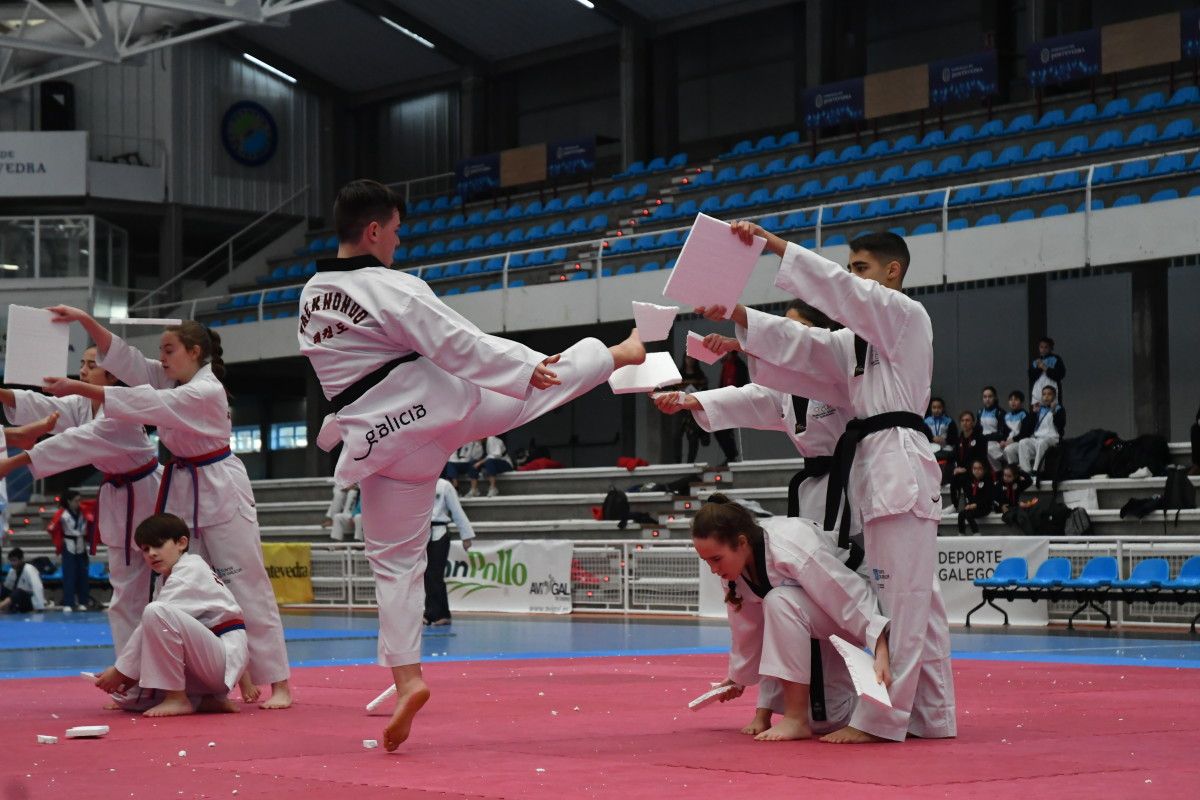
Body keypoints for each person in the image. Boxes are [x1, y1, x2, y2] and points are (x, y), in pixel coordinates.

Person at [298, 178, 646, 751]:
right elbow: (454, 340)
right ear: (375, 230)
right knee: (541, 383)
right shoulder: (392, 286)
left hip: (380, 444)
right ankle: (619, 353)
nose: (398, 244)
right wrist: (518, 364)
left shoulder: (311, 295)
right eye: (397, 232)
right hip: (437, 412)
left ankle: (407, 678)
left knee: (392, 563)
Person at [698, 226, 956, 743]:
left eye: (861, 268)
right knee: (917, 605)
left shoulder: (905, 316)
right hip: (875, 468)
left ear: (892, 272)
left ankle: (883, 720)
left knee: (903, 603)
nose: (853, 278)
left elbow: (842, 292)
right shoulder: (855, 342)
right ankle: (932, 714)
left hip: (899, 461)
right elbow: (802, 346)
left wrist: (775, 246)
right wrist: (741, 316)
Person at [39, 310, 292, 710]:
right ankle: (178, 686)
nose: (162, 358)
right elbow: (129, 363)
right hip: (182, 489)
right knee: (174, 588)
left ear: (194, 352)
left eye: (169, 350)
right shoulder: (175, 379)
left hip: (220, 486)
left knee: (247, 586)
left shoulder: (205, 391)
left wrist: (78, 387)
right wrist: (85, 321)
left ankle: (279, 682)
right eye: (161, 350)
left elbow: (146, 403)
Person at [0, 345, 160, 651]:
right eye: (81, 364)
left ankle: (169, 675)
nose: (82, 371)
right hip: (121, 499)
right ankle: (132, 676)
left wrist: (12, 463)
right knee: (124, 597)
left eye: (90, 366)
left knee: (165, 592)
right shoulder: (85, 405)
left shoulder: (120, 414)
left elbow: (74, 442)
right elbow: (43, 406)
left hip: (152, 499)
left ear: (112, 376)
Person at [693, 496, 890, 741]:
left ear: (741, 542)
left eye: (716, 559)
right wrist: (737, 678)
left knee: (779, 601)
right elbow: (748, 633)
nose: (713, 569)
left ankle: (795, 719)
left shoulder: (789, 543)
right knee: (774, 609)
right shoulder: (734, 574)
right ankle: (766, 715)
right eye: (707, 561)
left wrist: (880, 644)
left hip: (858, 601)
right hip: (816, 617)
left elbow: (845, 591)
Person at [94, 513, 247, 718]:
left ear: (181, 543)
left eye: (158, 545)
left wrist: (121, 671)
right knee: (129, 698)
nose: (151, 554)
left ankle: (177, 698)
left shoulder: (190, 570)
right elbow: (155, 634)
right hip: (208, 659)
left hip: (221, 660)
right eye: (146, 549)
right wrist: (126, 678)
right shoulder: (167, 577)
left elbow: (156, 619)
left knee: (156, 612)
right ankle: (205, 700)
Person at [424, 477, 475, 626]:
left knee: (435, 574)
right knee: (427, 574)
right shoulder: (419, 483)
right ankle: (430, 613)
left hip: (440, 532)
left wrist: (466, 536)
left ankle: (441, 614)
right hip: (422, 534)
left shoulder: (444, 485)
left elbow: (457, 510)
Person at [49, 490, 93, 611]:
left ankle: (83, 601)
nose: (79, 503)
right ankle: (69, 602)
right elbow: (52, 527)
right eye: (76, 500)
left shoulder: (84, 511)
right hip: (68, 545)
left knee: (83, 574)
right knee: (69, 575)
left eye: (80, 500)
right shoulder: (62, 514)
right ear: (69, 501)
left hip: (81, 544)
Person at [1015, 385, 1066, 478]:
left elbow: (1061, 425)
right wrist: (1034, 413)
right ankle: (1026, 471)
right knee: (1023, 442)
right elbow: (1029, 428)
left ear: (1054, 396)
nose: (1046, 397)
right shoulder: (1039, 409)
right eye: (1044, 394)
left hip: (1052, 438)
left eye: (1049, 394)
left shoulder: (1059, 409)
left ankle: (1036, 470)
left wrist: (1054, 411)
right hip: (1037, 438)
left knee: (1041, 443)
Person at [670, 355, 711, 463]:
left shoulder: (700, 376)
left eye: (692, 358)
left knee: (693, 436)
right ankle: (677, 462)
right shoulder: (678, 375)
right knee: (676, 434)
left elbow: (706, 392)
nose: (690, 360)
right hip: (680, 408)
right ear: (684, 359)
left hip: (693, 408)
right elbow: (672, 390)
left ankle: (690, 462)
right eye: (688, 358)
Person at [713, 351, 750, 466]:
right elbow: (722, 384)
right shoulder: (726, 365)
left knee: (723, 429)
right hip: (725, 402)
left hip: (735, 401)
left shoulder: (739, 365)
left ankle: (731, 456)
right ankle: (731, 455)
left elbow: (742, 384)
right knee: (718, 429)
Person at [949, 411, 987, 509]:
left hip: (977, 469)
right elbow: (955, 456)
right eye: (962, 420)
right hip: (962, 470)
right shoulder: (959, 439)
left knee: (964, 477)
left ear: (973, 422)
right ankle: (954, 505)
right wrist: (956, 468)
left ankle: (970, 503)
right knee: (954, 476)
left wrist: (966, 468)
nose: (965, 423)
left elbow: (981, 457)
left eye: (967, 420)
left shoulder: (980, 438)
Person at [0, 547, 46, 612]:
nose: (12, 563)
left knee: (18, 592)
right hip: (17, 599)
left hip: (29, 601)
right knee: (3, 588)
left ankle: (1, 606)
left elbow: (37, 587)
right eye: (11, 561)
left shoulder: (29, 569)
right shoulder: (12, 571)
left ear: (21, 559)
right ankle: (5, 607)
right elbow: (7, 587)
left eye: (14, 560)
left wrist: (39, 607)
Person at [924, 398, 956, 484]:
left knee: (951, 456)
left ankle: (946, 480)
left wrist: (945, 440)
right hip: (931, 448)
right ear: (930, 408)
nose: (936, 410)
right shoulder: (925, 422)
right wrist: (932, 438)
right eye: (934, 407)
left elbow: (954, 438)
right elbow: (922, 437)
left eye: (939, 407)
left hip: (946, 447)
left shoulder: (949, 421)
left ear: (943, 408)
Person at [956, 460, 993, 535]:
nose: (977, 471)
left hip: (984, 507)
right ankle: (961, 533)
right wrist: (969, 505)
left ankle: (976, 532)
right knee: (961, 514)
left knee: (968, 514)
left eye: (979, 468)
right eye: (975, 468)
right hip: (972, 506)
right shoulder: (969, 481)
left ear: (984, 470)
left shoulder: (988, 481)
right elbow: (969, 496)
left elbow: (988, 498)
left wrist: (975, 505)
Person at [997, 390, 1032, 467]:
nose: (1013, 402)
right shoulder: (1007, 416)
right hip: (1008, 442)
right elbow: (1004, 432)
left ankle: (1014, 470)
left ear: (1021, 402)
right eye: (1011, 400)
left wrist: (1012, 440)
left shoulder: (1024, 415)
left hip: (1020, 442)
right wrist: (1002, 440)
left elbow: (1025, 434)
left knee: (1009, 450)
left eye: (1016, 399)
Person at [1028, 337, 1066, 403]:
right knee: (1038, 411)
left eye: (1046, 347)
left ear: (1051, 348)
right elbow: (1031, 376)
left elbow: (1060, 374)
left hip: (1053, 389)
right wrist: (1038, 368)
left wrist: (1045, 368)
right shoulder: (1036, 361)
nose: (1043, 349)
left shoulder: (1056, 359)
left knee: (1053, 411)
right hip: (1038, 391)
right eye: (1041, 347)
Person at [977, 387, 1003, 472]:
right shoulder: (980, 412)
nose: (987, 399)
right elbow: (977, 430)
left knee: (987, 448)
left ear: (995, 397)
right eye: (985, 397)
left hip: (995, 442)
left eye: (990, 396)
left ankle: (998, 471)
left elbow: (1001, 433)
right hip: (983, 441)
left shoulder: (1000, 412)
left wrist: (986, 438)